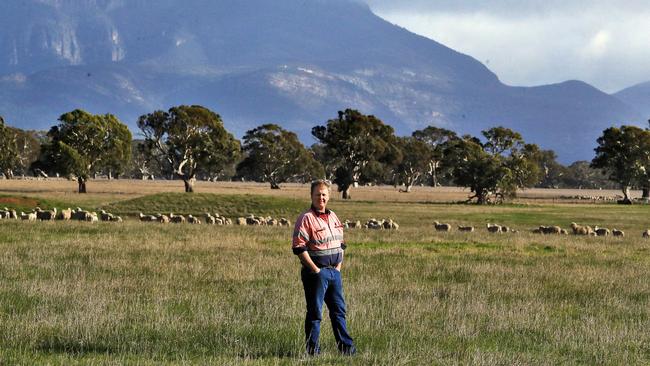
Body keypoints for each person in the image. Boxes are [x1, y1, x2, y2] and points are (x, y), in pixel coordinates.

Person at [292, 179, 356, 356]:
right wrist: (315, 270)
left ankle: (347, 350)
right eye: (317, 194)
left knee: (339, 312)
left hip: (334, 272)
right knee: (315, 313)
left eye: (324, 194)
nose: (321, 197)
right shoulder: (306, 218)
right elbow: (298, 247)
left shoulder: (334, 216)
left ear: (328, 196)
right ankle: (313, 352)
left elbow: (341, 244)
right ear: (311, 196)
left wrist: (338, 268)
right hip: (317, 274)